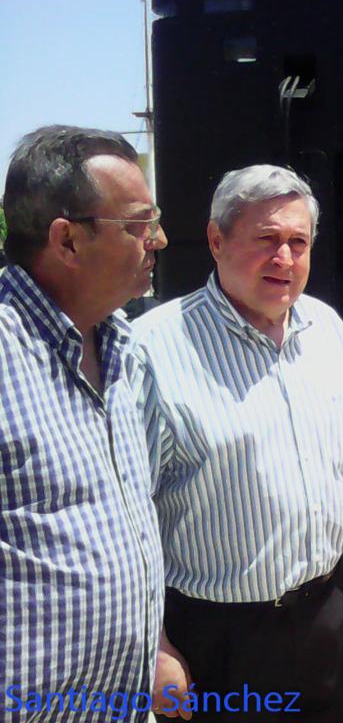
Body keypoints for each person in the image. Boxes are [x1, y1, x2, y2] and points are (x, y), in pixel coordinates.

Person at [131, 165, 343, 722]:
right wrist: (155, 647)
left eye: (299, 242)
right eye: (267, 239)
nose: (285, 258)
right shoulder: (150, 349)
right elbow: (126, 515)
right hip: (220, 637)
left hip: (334, 608)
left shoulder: (328, 329)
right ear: (216, 240)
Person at [0, 125, 167, 722]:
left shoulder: (124, 347)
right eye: (139, 225)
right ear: (67, 240)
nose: (158, 239)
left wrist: (157, 646)